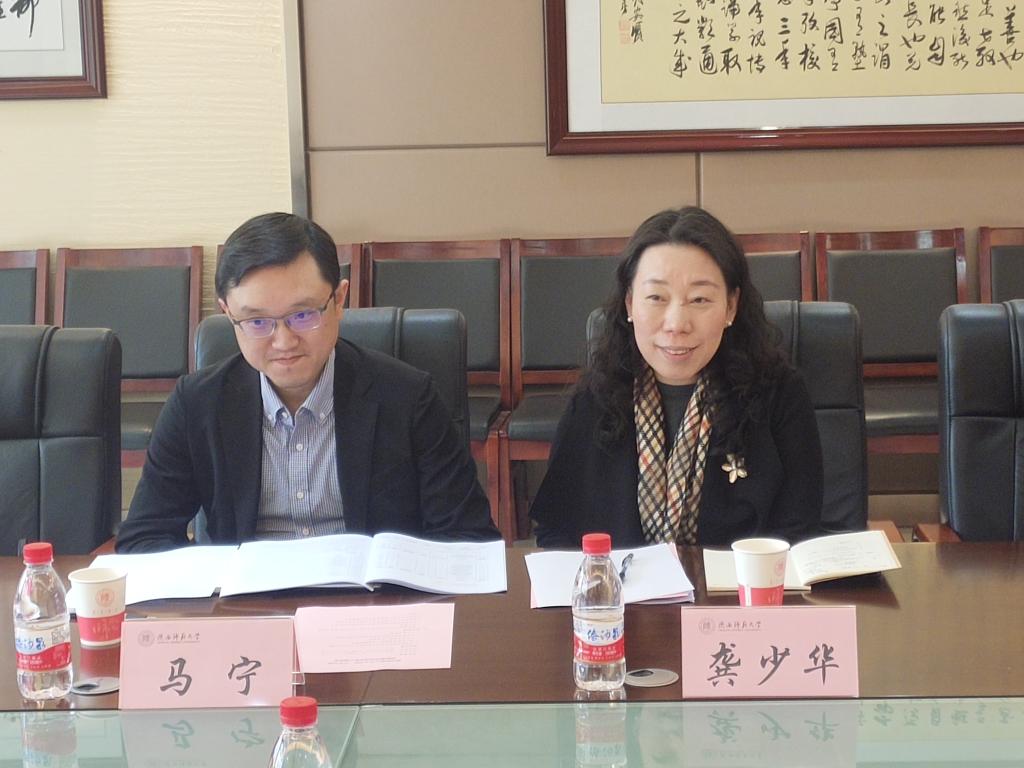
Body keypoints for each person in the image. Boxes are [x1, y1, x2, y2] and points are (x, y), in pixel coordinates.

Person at [116, 212, 499, 552]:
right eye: (257, 321)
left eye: (302, 315)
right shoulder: (196, 404)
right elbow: (143, 540)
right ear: (228, 313)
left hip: (372, 599)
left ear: (339, 300)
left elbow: (469, 538)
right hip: (247, 602)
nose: (283, 342)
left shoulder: (409, 398)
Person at [530, 206, 823, 548]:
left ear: (731, 306)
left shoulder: (779, 395)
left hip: (741, 584)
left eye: (699, 299)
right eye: (656, 297)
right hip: (620, 584)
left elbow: (798, 534)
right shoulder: (594, 397)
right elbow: (557, 532)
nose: (676, 324)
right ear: (629, 303)